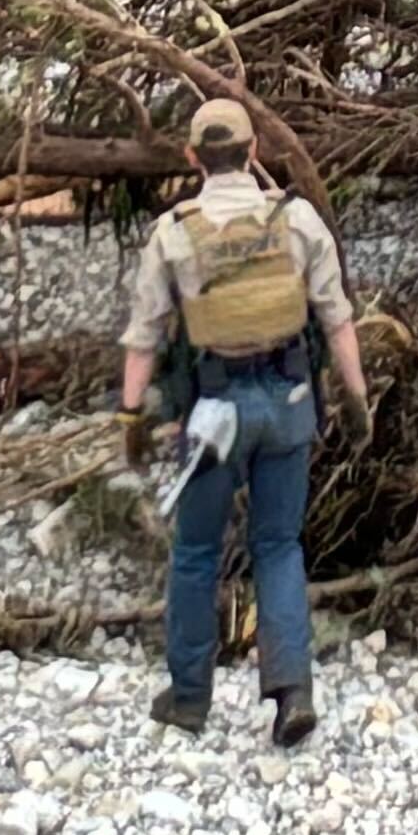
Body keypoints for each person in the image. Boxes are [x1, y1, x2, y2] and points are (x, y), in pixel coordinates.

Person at [118, 96, 369, 746]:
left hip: (213, 411)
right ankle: (292, 692)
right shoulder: (298, 219)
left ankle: (190, 697)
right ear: (255, 153)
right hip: (288, 401)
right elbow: (337, 318)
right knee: (279, 545)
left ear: (194, 157)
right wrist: (356, 399)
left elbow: (143, 338)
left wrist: (129, 415)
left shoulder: (174, 231)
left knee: (198, 552)